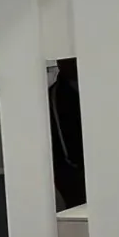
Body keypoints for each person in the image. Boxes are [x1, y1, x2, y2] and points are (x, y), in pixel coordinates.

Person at [47, 58, 87, 208]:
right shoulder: (56, 95)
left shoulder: (92, 87)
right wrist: (76, 165)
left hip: (86, 166)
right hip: (71, 170)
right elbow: (62, 135)